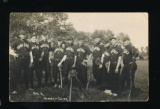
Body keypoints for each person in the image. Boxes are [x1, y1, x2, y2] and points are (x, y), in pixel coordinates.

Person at [10, 30, 33, 94]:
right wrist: (14, 54)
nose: (23, 35)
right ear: (19, 35)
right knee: (17, 74)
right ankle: (14, 89)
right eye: (22, 34)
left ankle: (27, 87)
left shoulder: (28, 42)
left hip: (26, 60)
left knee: (27, 74)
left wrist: (31, 61)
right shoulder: (16, 42)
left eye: (24, 34)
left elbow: (30, 52)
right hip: (19, 60)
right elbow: (9, 48)